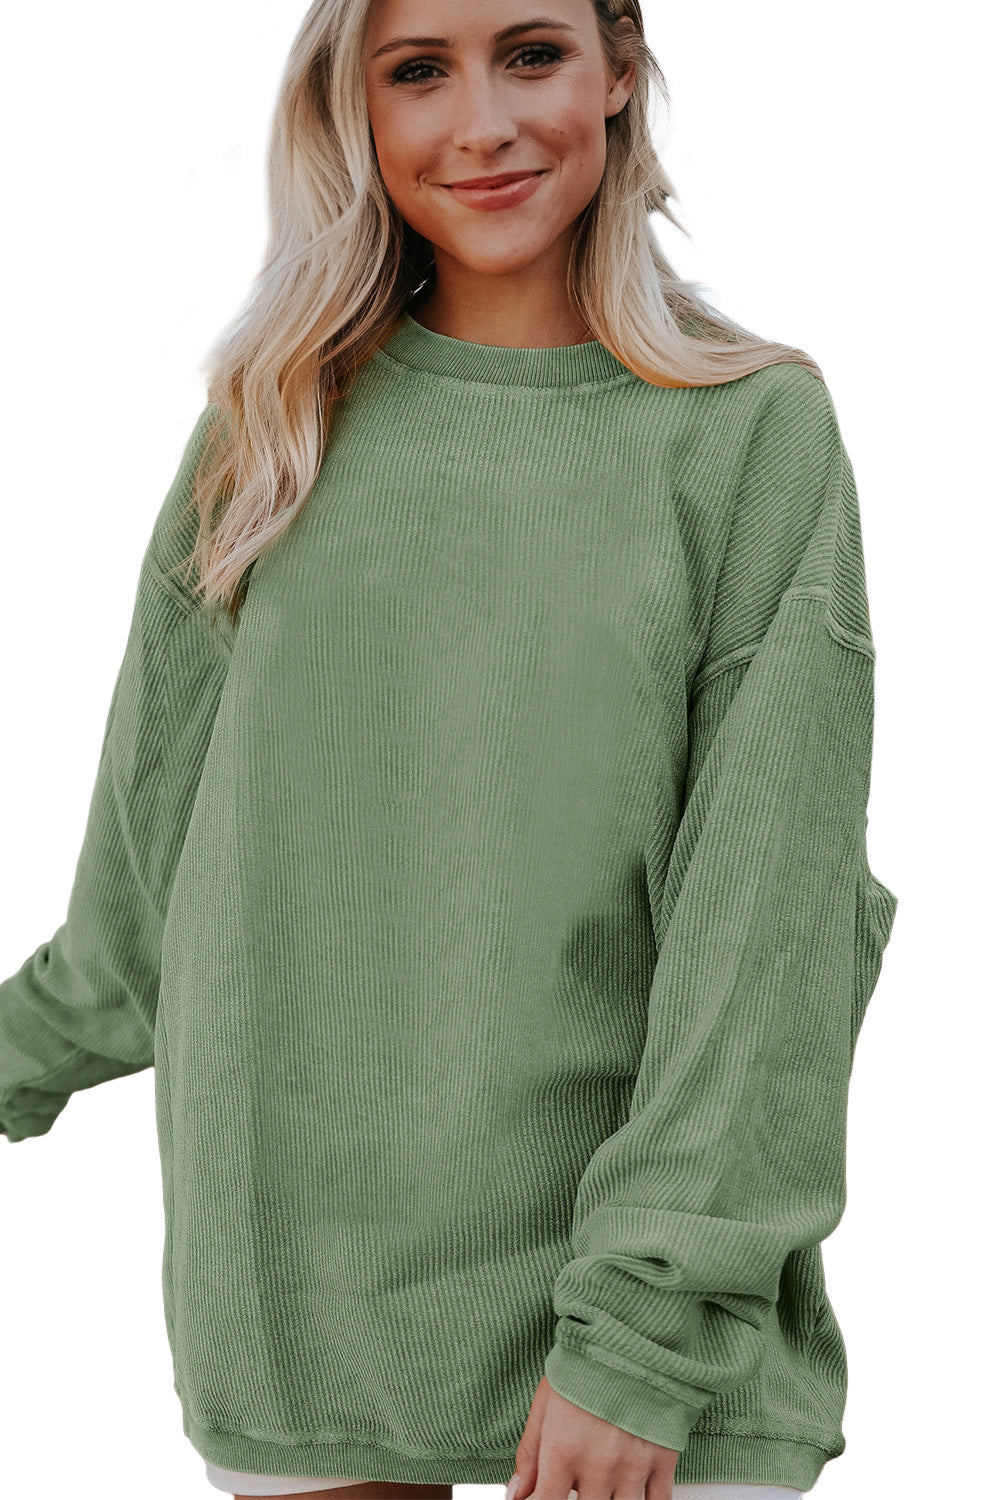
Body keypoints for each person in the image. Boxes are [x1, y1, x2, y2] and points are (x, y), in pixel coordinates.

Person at [0, 1, 899, 1497]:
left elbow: (772, 920)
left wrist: (645, 1332)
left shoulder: (749, 435)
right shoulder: (269, 432)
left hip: (647, 1318)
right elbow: (145, 894)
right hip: (299, 1284)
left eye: (531, 54)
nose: (481, 125)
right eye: (418, 72)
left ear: (618, 67)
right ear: (354, 108)